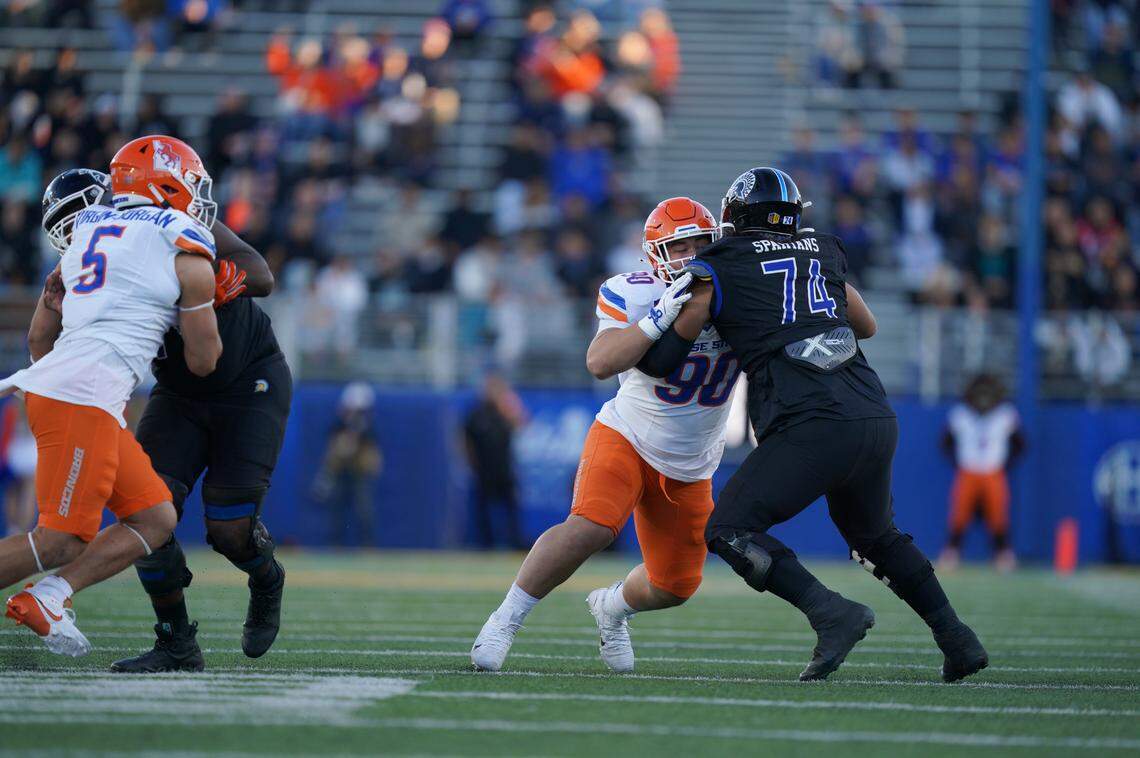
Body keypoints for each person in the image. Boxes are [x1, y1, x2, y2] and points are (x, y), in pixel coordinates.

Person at [642, 168, 987, 682]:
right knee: (877, 537)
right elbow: (865, 325)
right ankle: (957, 639)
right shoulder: (821, 251)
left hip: (812, 419)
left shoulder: (719, 265)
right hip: (872, 412)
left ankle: (831, 613)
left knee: (729, 529)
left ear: (737, 217)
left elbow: (661, 361)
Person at [471, 197, 738, 673]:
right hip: (629, 434)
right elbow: (599, 361)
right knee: (592, 525)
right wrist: (658, 318)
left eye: (702, 242)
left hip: (692, 460)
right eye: (681, 245)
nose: (694, 253)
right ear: (656, 252)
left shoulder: (737, 294)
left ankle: (611, 608)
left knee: (675, 586)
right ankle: (504, 621)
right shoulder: (632, 291)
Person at [0, 159, 223, 656]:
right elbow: (205, 362)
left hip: (77, 391)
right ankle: (52, 585)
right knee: (61, 539)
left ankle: (51, 596)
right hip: (83, 396)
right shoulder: (176, 240)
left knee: (154, 516)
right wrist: (200, 302)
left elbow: (38, 341)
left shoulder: (85, 238)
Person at [107, 137, 292, 673]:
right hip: (181, 390)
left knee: (230, 531)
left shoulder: (191, 230)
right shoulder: (114, 243)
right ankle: (175, 642)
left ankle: (266, 577)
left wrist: (218, 280)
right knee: (145, 514)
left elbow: (260, 275)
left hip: (247, 382)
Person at [939, 374, 1024, 572]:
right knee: (959, 514)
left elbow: (1020, 444)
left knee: (998, 515)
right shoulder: (960, 414)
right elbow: (945, 442)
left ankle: (1003, 554)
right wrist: (958, 462)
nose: (983, 399)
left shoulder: (1005, 414)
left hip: (993, 472)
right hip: (968, 471)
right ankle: (952, 553)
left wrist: (1005, 464)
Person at [312, 382, 383, 546]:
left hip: (359, 473)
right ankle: (335, 544)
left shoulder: (368, 430)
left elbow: (373, 459)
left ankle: (368, 545)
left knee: (364, 510)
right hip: (340, 472)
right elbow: (332, 454)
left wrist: (362, 455)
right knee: (336, 509)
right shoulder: (338, 427)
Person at [463, 373, 527, 550]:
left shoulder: (504, 410)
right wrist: (470, 463)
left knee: (511, 510)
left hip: (504, 469)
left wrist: (510, 405)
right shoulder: (476, 413)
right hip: (484, 470)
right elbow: (465, 439)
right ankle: (485, 545)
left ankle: (515, 544)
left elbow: (521, 423)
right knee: (483, 511)